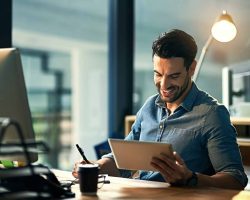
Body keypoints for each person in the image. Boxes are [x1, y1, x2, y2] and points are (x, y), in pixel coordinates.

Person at [72, 29, 248, 189]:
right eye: (158, 74)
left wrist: (190, 178)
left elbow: (236, 180)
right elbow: (121, 160)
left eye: (174, 76)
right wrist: (95, 166)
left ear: (191, 68)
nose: (163, 85)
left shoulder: (212, 115)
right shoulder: (149, 107)